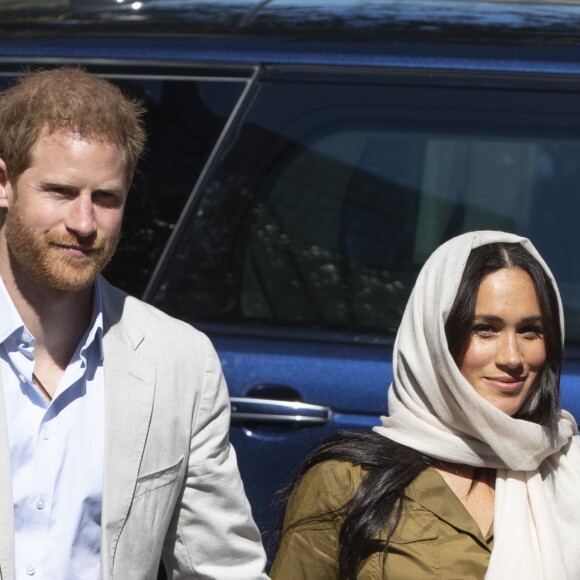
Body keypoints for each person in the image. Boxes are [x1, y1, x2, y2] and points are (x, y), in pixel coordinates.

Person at [0, 67, 268, 579]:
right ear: (4, 183)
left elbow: (222, 567)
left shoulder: (178, 363)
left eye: (106, 198)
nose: (83, 223)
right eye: (59, 191)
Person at [270, 230, 580, 580]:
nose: (512, 357)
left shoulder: (568, 471)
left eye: (529, 331)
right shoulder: (347, 481)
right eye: (485, 329)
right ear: (435, 337)